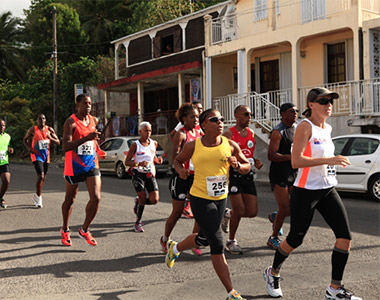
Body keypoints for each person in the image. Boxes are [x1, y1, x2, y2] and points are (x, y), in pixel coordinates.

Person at [264, 87, 362, 300]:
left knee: (345, 236)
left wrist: (333, 159)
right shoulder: (304, 127)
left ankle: (334, 289)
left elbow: (323, 156)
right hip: (306, 192)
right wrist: (329, 160)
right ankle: (273, 272)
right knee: (295, 239)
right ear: (311, 105)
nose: (329, 105)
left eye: (330, 101)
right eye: (323, 101)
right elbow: (296, 161)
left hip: (327, 189)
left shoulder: (326, 128)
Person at [166, 109, 251, 300]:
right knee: (217, 242)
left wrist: (237, 165)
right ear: (203, 124)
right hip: (199, 198)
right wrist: (180, 171)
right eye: (215, 119)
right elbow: (177, 161)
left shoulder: (230, 145)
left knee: (202, 240)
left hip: (221, 198)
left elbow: (247, 166)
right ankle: (231, 292)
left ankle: (175, 249)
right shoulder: (192, 146)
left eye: (222, 119)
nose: (220, 122)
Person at [61, 94, 104, 247]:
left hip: (91, 165)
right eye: (85, 104)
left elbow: (93, 140)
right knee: (70, 199)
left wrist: (98, 150)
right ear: (77, 104)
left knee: (96, 197)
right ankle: (65, 229)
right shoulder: (71, 122)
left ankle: (84, 229)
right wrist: (86, 138)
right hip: (74, 166)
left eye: (90, 104)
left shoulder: (94, 120)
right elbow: (65, 146)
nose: (88, 107)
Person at [221, 105, 263, 254]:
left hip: (248, 174)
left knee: (252, 211)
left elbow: (251, 154)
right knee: (239, 209)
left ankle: (227, 214)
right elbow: (221, 155)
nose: (249, 117)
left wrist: (257, 162)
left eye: (250, 114)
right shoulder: (228, 134)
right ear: (237, 116)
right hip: (234, 176)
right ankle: (231, 241)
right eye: (246, 114)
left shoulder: (251, 133)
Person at [160, 104, 201, 255]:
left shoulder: (199, 132)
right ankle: (165, 239)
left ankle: (194, 241)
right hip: (181, 178)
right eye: (192, 117)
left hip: (196, 177)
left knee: (199, 211)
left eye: (197, 116)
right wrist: (180, 170)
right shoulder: (181, 134)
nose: (196, 119)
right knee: (177, 213)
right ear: (184, 119)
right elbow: (175, 157)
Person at [266, 103, 298, 249]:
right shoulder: (278, 132)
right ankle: (273, 237)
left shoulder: (297, 128)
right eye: (292, 111)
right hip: (280, 174)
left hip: (294, 172)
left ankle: (275, 216)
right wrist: (290, 157)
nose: (295, 113)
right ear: (283, 114)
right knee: (285, 209)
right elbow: (271, 155)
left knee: (296, 207)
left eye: (297, 111)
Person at [124, 121, 163, 233]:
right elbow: (127, 162)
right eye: (146, 130)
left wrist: (157, 160)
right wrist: (138, 164)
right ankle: (138, 222)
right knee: (142, 196)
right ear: (140, 132)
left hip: (149, 174)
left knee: (154, 199)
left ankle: (139, 202)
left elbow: (153, 156)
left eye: (150, 130)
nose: (148, 133)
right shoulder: (135, 145)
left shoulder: (154, 143)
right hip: (138, 174)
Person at [23, 114, 60, 208]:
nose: (42, 120)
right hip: (36, 155)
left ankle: (36, 195)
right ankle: (39, 198)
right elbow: (25, 139)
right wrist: (29, 148)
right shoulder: (33, 130)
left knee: (43, 178)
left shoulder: (50, 129)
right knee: (41, 175)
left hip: (46, 156)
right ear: (37, 120)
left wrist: (50, 137)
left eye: (44, 118)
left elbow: (58, 142)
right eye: (40, 119)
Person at [0, 119, 13, 209]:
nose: (2, 127)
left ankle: (0, 198)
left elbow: (7, 146)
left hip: (4, 162)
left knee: (6, 181)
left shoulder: (8, 136)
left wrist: (10, 150)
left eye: (3, 125)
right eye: (0, 125)